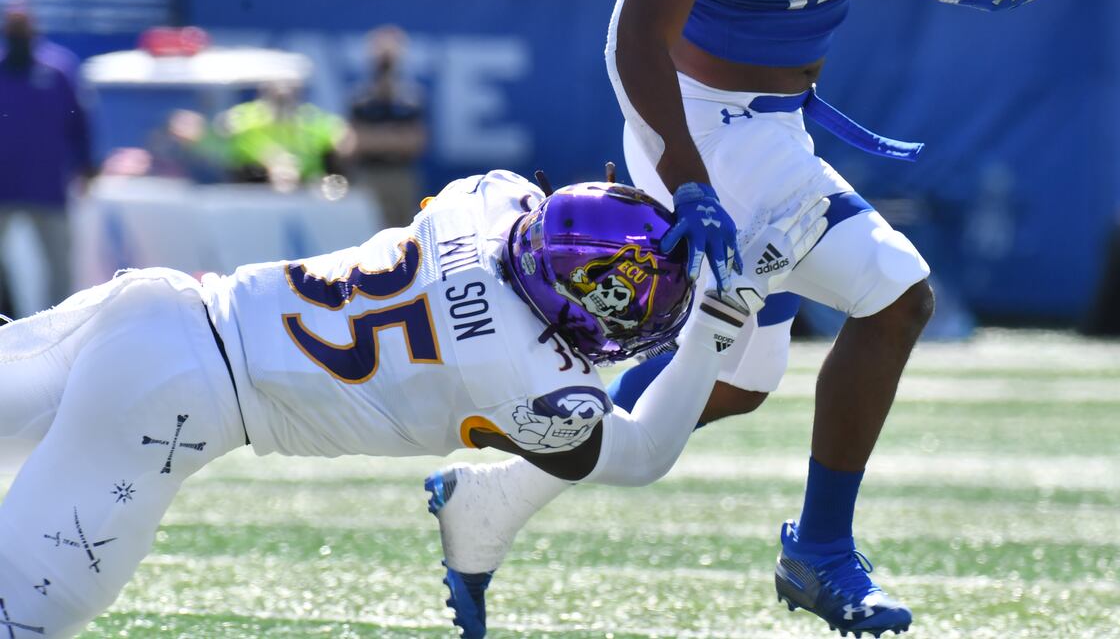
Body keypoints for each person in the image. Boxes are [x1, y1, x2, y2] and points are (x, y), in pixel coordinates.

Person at [426, 0, 1050, 638]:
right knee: (898, 296)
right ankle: (820, 553)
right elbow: (636, 37)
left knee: (729, 384)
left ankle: (491, 492)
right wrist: (686, 179)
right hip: (704, 127)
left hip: (775, 125)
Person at [0, 167, 828, 638]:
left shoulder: (491, 199)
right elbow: (643, 453)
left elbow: (563, 233)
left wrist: (653, 224)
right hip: (170, 405)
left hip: (160, 305)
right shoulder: (531, 384)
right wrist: (719, 325)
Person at [0, 0, 94, 317]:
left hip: (47, 186)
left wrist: (87, 165)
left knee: (58, 264)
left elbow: (80, 120)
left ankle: (57, 326)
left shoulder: (57, 68)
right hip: (3, 186)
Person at [348, 25, 429, 228]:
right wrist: (395, 137)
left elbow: (416, 142)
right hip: (370, 174)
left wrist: (376, 137)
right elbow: (355, 143)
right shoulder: (361, 100)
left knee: (405, 231)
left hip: (401, 174)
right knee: (368, 229)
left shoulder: (411, 99)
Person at [218, 79, 353, 190]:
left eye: (289, 91)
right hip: (258, 187)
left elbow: (340, 135)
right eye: (276, 91)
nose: (283, 94)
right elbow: (221, 138)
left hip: (306, 187)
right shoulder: (244, 120)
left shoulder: (312, 120)